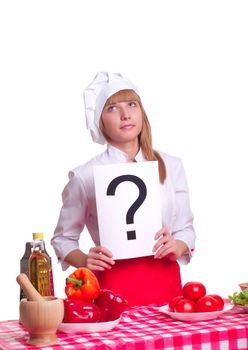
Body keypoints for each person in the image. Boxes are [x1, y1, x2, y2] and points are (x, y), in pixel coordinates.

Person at [51, 71, 196, 307]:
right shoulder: (85, 175)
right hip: (111, 291)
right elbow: (63, 238)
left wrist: (177, 246)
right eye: (112, 108)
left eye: (131, 104)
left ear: (142, 112)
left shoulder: (171, 165)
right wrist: (85, 260)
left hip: (167, 290)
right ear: (100, 121)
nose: (125, 114)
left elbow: (186, 230)